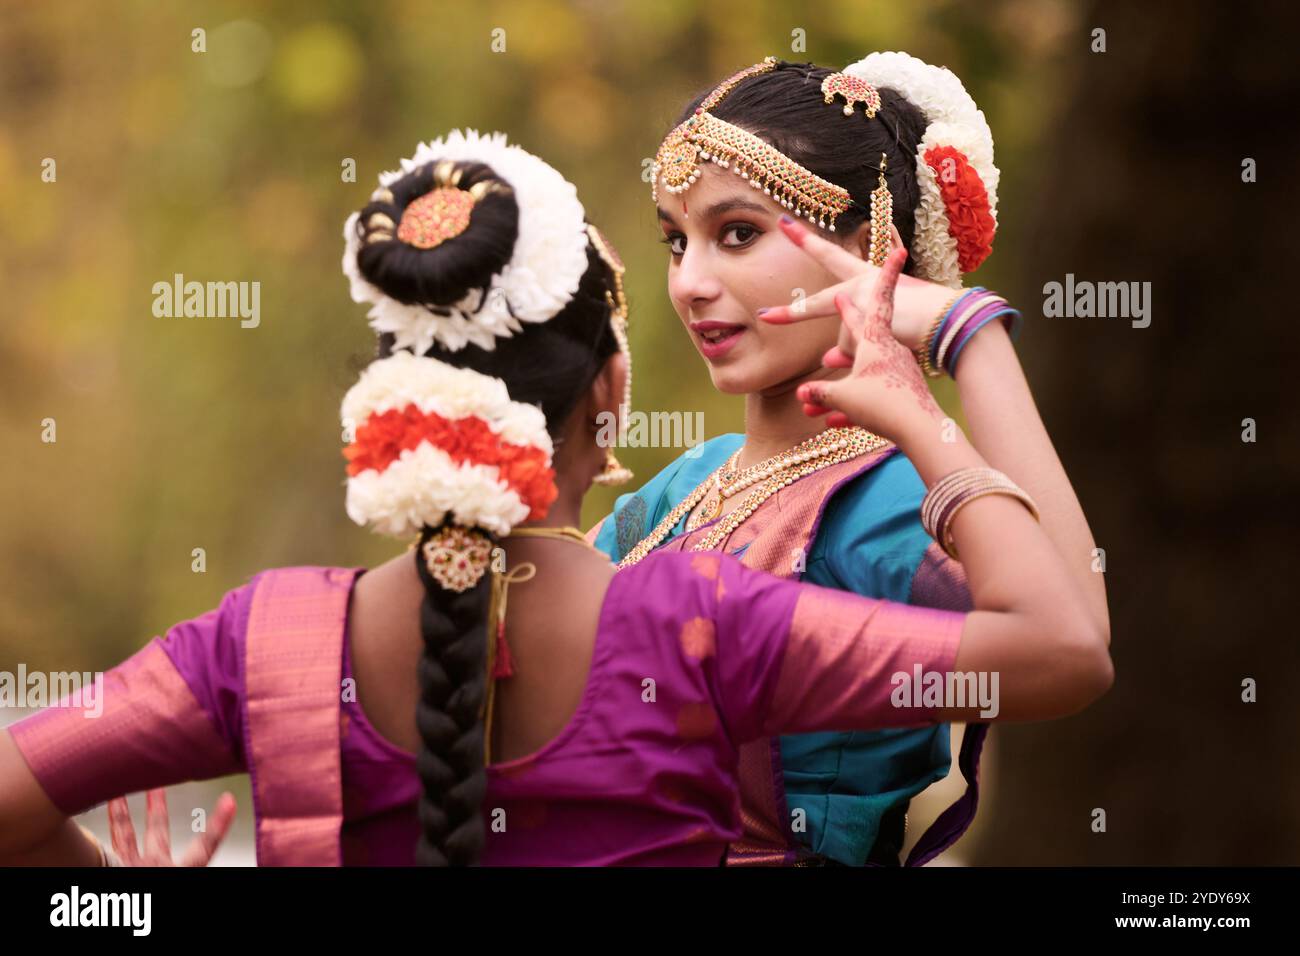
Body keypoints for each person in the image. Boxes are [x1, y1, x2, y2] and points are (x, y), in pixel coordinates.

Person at [0, 130, 1111, 867]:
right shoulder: (699, 620)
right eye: (676, 247)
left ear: (393, 389)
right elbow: (1066, 647)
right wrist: (936, 385)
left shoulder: (263, 638)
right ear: (610, 390)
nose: (695, 281)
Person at [590, 53, 1110, 865]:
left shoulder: (894, 498)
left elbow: (1075, 644)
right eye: (674, 241)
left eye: (737, 234)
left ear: (871, 251)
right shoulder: (683, 487)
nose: (689, 282)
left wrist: (972, 339)